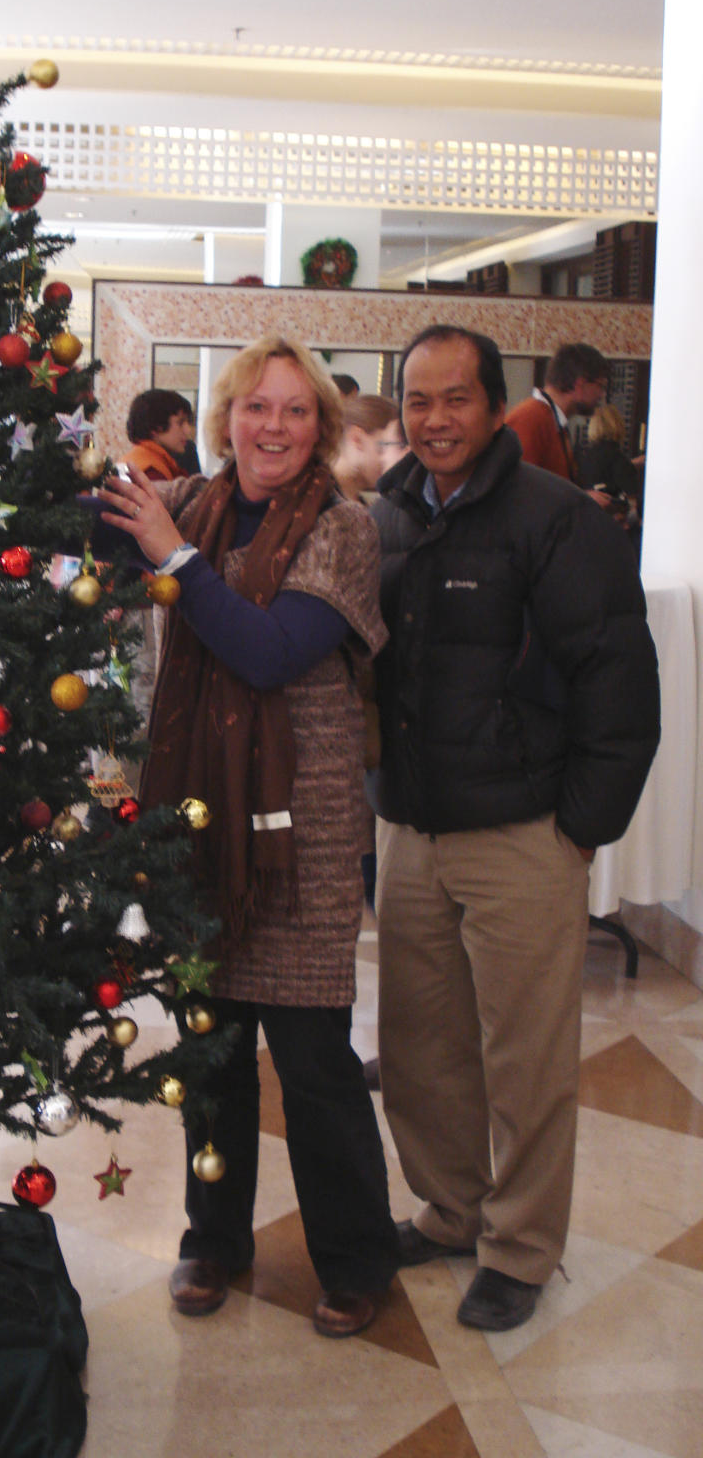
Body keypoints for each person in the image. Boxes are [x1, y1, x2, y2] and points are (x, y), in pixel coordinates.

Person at [98, 334, 400, 1338]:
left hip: (301, 833)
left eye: (295, 410)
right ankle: (213, 1236)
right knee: (212, 1051)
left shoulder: (344, 527)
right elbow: (71, 530)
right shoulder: (189, 502)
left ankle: (355, 1257)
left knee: (314, 1064)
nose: (273, 426)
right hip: (197, 819)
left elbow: (271, 653)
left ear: (321, 426)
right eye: (256, 407)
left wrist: (172, 557)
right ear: (226, 416)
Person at [368, 324, 660, 1333]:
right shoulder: (390, 513)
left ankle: (521, 1245)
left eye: (456, 398)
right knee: (419, 1044)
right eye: (418, 399)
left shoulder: (556, 515)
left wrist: (582, 826)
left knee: (524, 1056)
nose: (435, 419)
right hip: (410, 827)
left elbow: (620, 677)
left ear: (496, 406)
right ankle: (452, 1207)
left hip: (522, 831)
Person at [505, 342, 609, 484]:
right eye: (601, 386)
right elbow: (516, 490)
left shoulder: (553, 422)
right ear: (580, 384)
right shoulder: (531, 419)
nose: (602, 395)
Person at [330, 394, 400, 500]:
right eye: (384, 446)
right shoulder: (317, 495)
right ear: (357, 439)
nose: (391, 459)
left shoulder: (355, 500)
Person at [121, 388, 191, 481]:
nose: (188, 430)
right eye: (180, 423)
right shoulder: (152, 472)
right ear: (155, 427)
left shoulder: (137, 457)